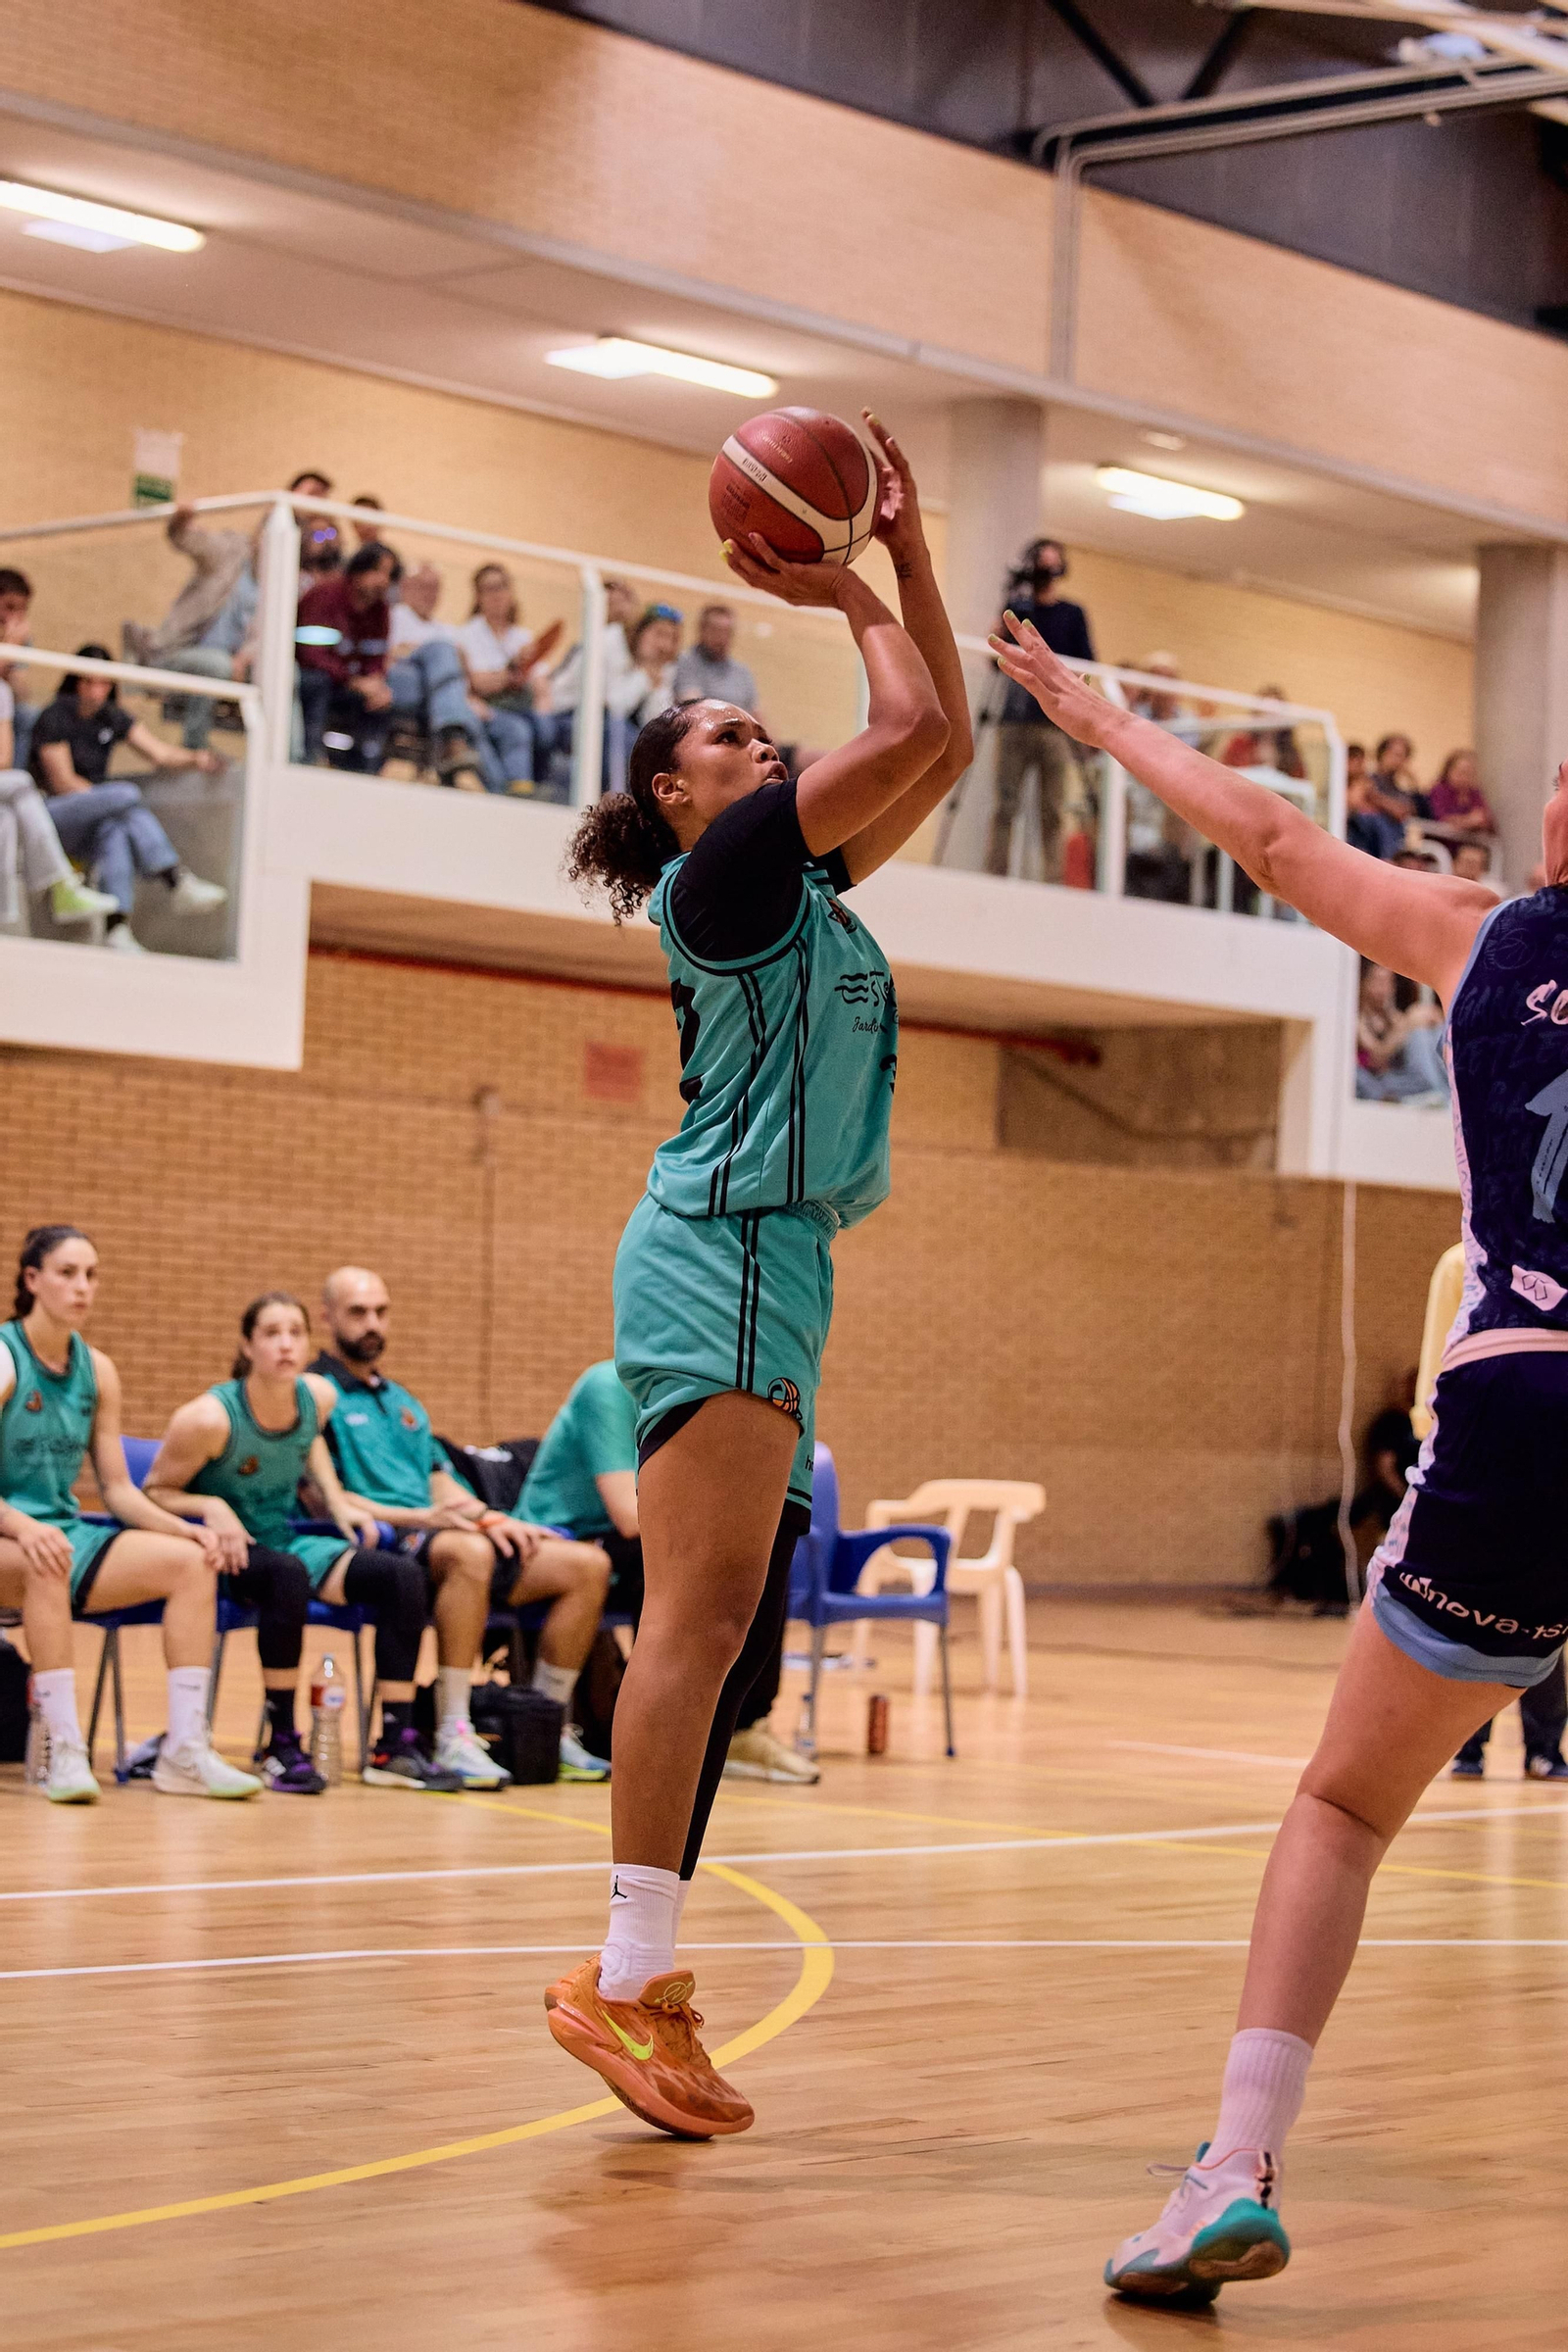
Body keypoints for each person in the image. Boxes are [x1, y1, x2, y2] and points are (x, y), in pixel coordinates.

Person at [990, 604, 1568, 2302]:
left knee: (1341, 1804)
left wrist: (1104, 723)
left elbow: (1274, 833)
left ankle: (1230, 2169)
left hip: (1528, 1400)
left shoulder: (1484, 934)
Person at [545, 408, 965, 2138]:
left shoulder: (806, 883)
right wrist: (843, 575)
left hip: (775, 1263)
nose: (757, 734)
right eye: (726, 731)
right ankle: (624, 1979)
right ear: (678, 792)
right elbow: (915, 717)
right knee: (697, 1620)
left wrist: (907, 554)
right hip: (721, 1246)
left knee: (727, 1635)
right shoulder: (732, 870)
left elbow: (943, 747)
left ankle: (644, 1977)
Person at [145, 1290, 463, 1791]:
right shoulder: (208, 1417)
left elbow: (309, 1438)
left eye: (295, 1333)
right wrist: (212, 1506)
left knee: (400, 1576)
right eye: (272, 1334)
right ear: (248, 1346)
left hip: (281, 1540)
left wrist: (336, 1502)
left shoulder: (317, 1396)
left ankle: (395, 1745)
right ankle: (283, 1743)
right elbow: (154, 1493)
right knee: (287, 1576)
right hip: (223, 1551)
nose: (286, 1345)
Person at [311, 1265, 612, 1783]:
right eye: (358, 1312)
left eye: (381, 1312)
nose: (372, 1324)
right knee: (470, 1553)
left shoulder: (402, 1401)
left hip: (440, 1533)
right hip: (383, 1540)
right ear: (327, 1317)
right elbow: (325, 1499)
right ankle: (454, 1730)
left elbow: (440, 1480)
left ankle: (547, 1726)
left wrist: (491, 1517)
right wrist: (426, 1519)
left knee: (587, 1565)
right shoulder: (316, 1395)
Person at [0, 1225, 261, 1803]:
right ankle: (64, 1750)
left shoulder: (98, 1370)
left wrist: (190, 1532)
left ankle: (185, 1752)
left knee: (192, 1565)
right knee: (48, 1557)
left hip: (61, 1534)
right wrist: (23, 1525)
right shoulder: (4, 1357)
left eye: (91, 1275)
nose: (82, 1287)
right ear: (32, 1280)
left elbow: (117, 1490)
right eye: (67, 1273)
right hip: (12, 1534)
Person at [28, 648, 229, 954]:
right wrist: (107, 801)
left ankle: (117, 927)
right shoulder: (55, 716)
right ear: (77, 682)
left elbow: (159, 753)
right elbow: (63, 783)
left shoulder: (112, 716)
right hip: (50, 815)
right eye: (90, 682)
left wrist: (197, 758)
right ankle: (174, 878)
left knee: (117, 830)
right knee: (127, 796)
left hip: (93, 816)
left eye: (105, 683)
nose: (97, 691)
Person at [0, 616, 117, 931]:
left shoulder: (2, 693)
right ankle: (60, 884)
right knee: (23, 783)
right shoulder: (54, 716)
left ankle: (7, 919)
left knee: (7, 819)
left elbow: (3, 757)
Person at [988, 539, 1093, 882]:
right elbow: (996, 662)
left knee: (1053, 807)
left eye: (1051, 564)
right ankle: (996, 874)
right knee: (1006, 803)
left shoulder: (1072, 614)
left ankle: (1052, 880)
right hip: (1015, 718)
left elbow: (1085, 664)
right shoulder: (1017, 608)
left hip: (1055, 725)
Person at [123, 505, 261, 753]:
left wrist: (244, 658)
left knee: (286, 675)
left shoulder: (281, 580)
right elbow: (189, 540)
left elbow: (264, 635)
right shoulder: (230, 554)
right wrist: (181, 523)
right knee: (218, 665)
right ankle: (194, 745)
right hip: (176, 653)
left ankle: (289, 754)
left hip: (235, 664)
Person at [383, 564, 490, 791]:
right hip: (404, 690)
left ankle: (500, 788)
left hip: (439, 701)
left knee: (486, 722)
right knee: (441, 651)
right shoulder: (393, 616)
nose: (429, 594)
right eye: (423, 587)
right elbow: (389, 655)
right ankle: (453, 736)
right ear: (405, 587)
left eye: (435, 588)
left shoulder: (447, 630)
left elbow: (465, 668)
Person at [295, 542, 400, 768]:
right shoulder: (325, 595)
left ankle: (364, 769)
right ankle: (311, 758)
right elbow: (309, 653)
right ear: (358, 570)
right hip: (313, 676)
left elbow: (376, 657)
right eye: (376, 571)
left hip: (350, 685)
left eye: (388, 575)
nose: (382, 581)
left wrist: (376, 682)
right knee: (318, 684)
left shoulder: (380, 611)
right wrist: (352, 680)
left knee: (383, 701)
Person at [1355, 961, 1448, 1102]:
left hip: (1404, 1078)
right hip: (1379, 1082)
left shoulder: (1391, 1016)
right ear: (1365, 983)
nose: (1384, 988)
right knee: (1418, 1035)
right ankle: (1440, 1093)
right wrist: (1409, 1024)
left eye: (1388, 982)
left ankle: (1448, 1089)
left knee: (1429, 1033)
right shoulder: (1359, 1019)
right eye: (1378, 981)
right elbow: (1376, 1057)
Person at [672, 604, 759, 716]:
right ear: (702, 630)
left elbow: (756, 713)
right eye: (716, 631)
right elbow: (694, 708)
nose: (722, 638)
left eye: (727, 632)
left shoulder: (742, 672)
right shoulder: (686, 663)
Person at [0, 566, 40, 768]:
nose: (15, 616)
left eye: (22, 609)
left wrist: (12, 650)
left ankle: (15, 778)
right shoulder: (14, 641)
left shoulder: (21, 639)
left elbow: (19, 693)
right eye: (9, 607)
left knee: (29, 716)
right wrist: (8, 648)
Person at [1426, 749, 1497, 837]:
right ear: (1448, 771)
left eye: (1470, 773)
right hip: (1443, 841)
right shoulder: (1439, 790)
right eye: (1461, 772)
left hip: (1470, 842)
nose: (1465, 778)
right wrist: (1469, 820)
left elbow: (1485, 820)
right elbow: (1441, 819)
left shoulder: (1475, 794)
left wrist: (1471, 821)